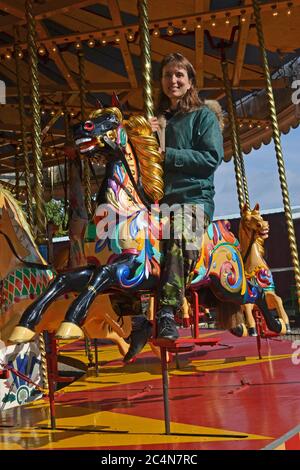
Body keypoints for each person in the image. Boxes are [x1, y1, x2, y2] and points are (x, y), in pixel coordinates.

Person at [123, 52, 224, 362]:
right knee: (121, 238)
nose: (173, 80)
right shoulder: (160, 121)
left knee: (180, 233)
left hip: (193, 200)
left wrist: (168, 154)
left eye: (179, 74)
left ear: (190, 80)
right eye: (168, 75)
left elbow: (211, 160)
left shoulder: (202, 117)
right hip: (160, 202)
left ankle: (166, 311)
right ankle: (135, 317)